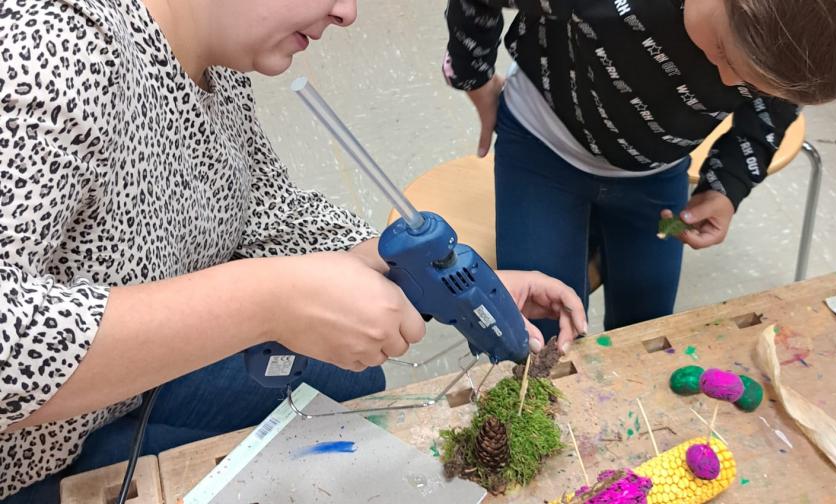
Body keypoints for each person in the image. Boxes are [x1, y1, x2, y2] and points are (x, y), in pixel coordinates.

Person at [0, 0, 588, 501]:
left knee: (354, 382)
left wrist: (438, 280)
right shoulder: (51, 51)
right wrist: (269, 301)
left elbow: (267, 210)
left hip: (135, 385)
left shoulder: (217, 64)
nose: (348, 12)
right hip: (34, 447)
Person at [442, 0, 836, 335]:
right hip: (541, 151)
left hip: (654, 175)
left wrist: (728, 184)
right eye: (726, 53)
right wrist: (476, 80)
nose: (729, 81)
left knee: (647, 321)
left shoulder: (787, 48)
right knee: (540, 327)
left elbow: (776, 105)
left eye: (753, 84)